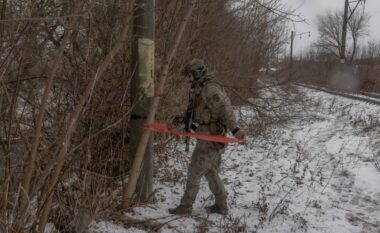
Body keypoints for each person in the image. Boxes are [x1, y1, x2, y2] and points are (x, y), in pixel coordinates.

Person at [168, 59, 245, 215]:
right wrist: (183, 120)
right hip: (205, 134)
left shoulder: (209, 90)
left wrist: (236, 130)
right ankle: (221, 205)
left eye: (189, 76)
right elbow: (199, 113)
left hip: (211, 138)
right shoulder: (199, 89)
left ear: (197, 74)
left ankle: (186, 206)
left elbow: (225, 109)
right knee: (210, 171)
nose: (186, 79)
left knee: (194, 170)